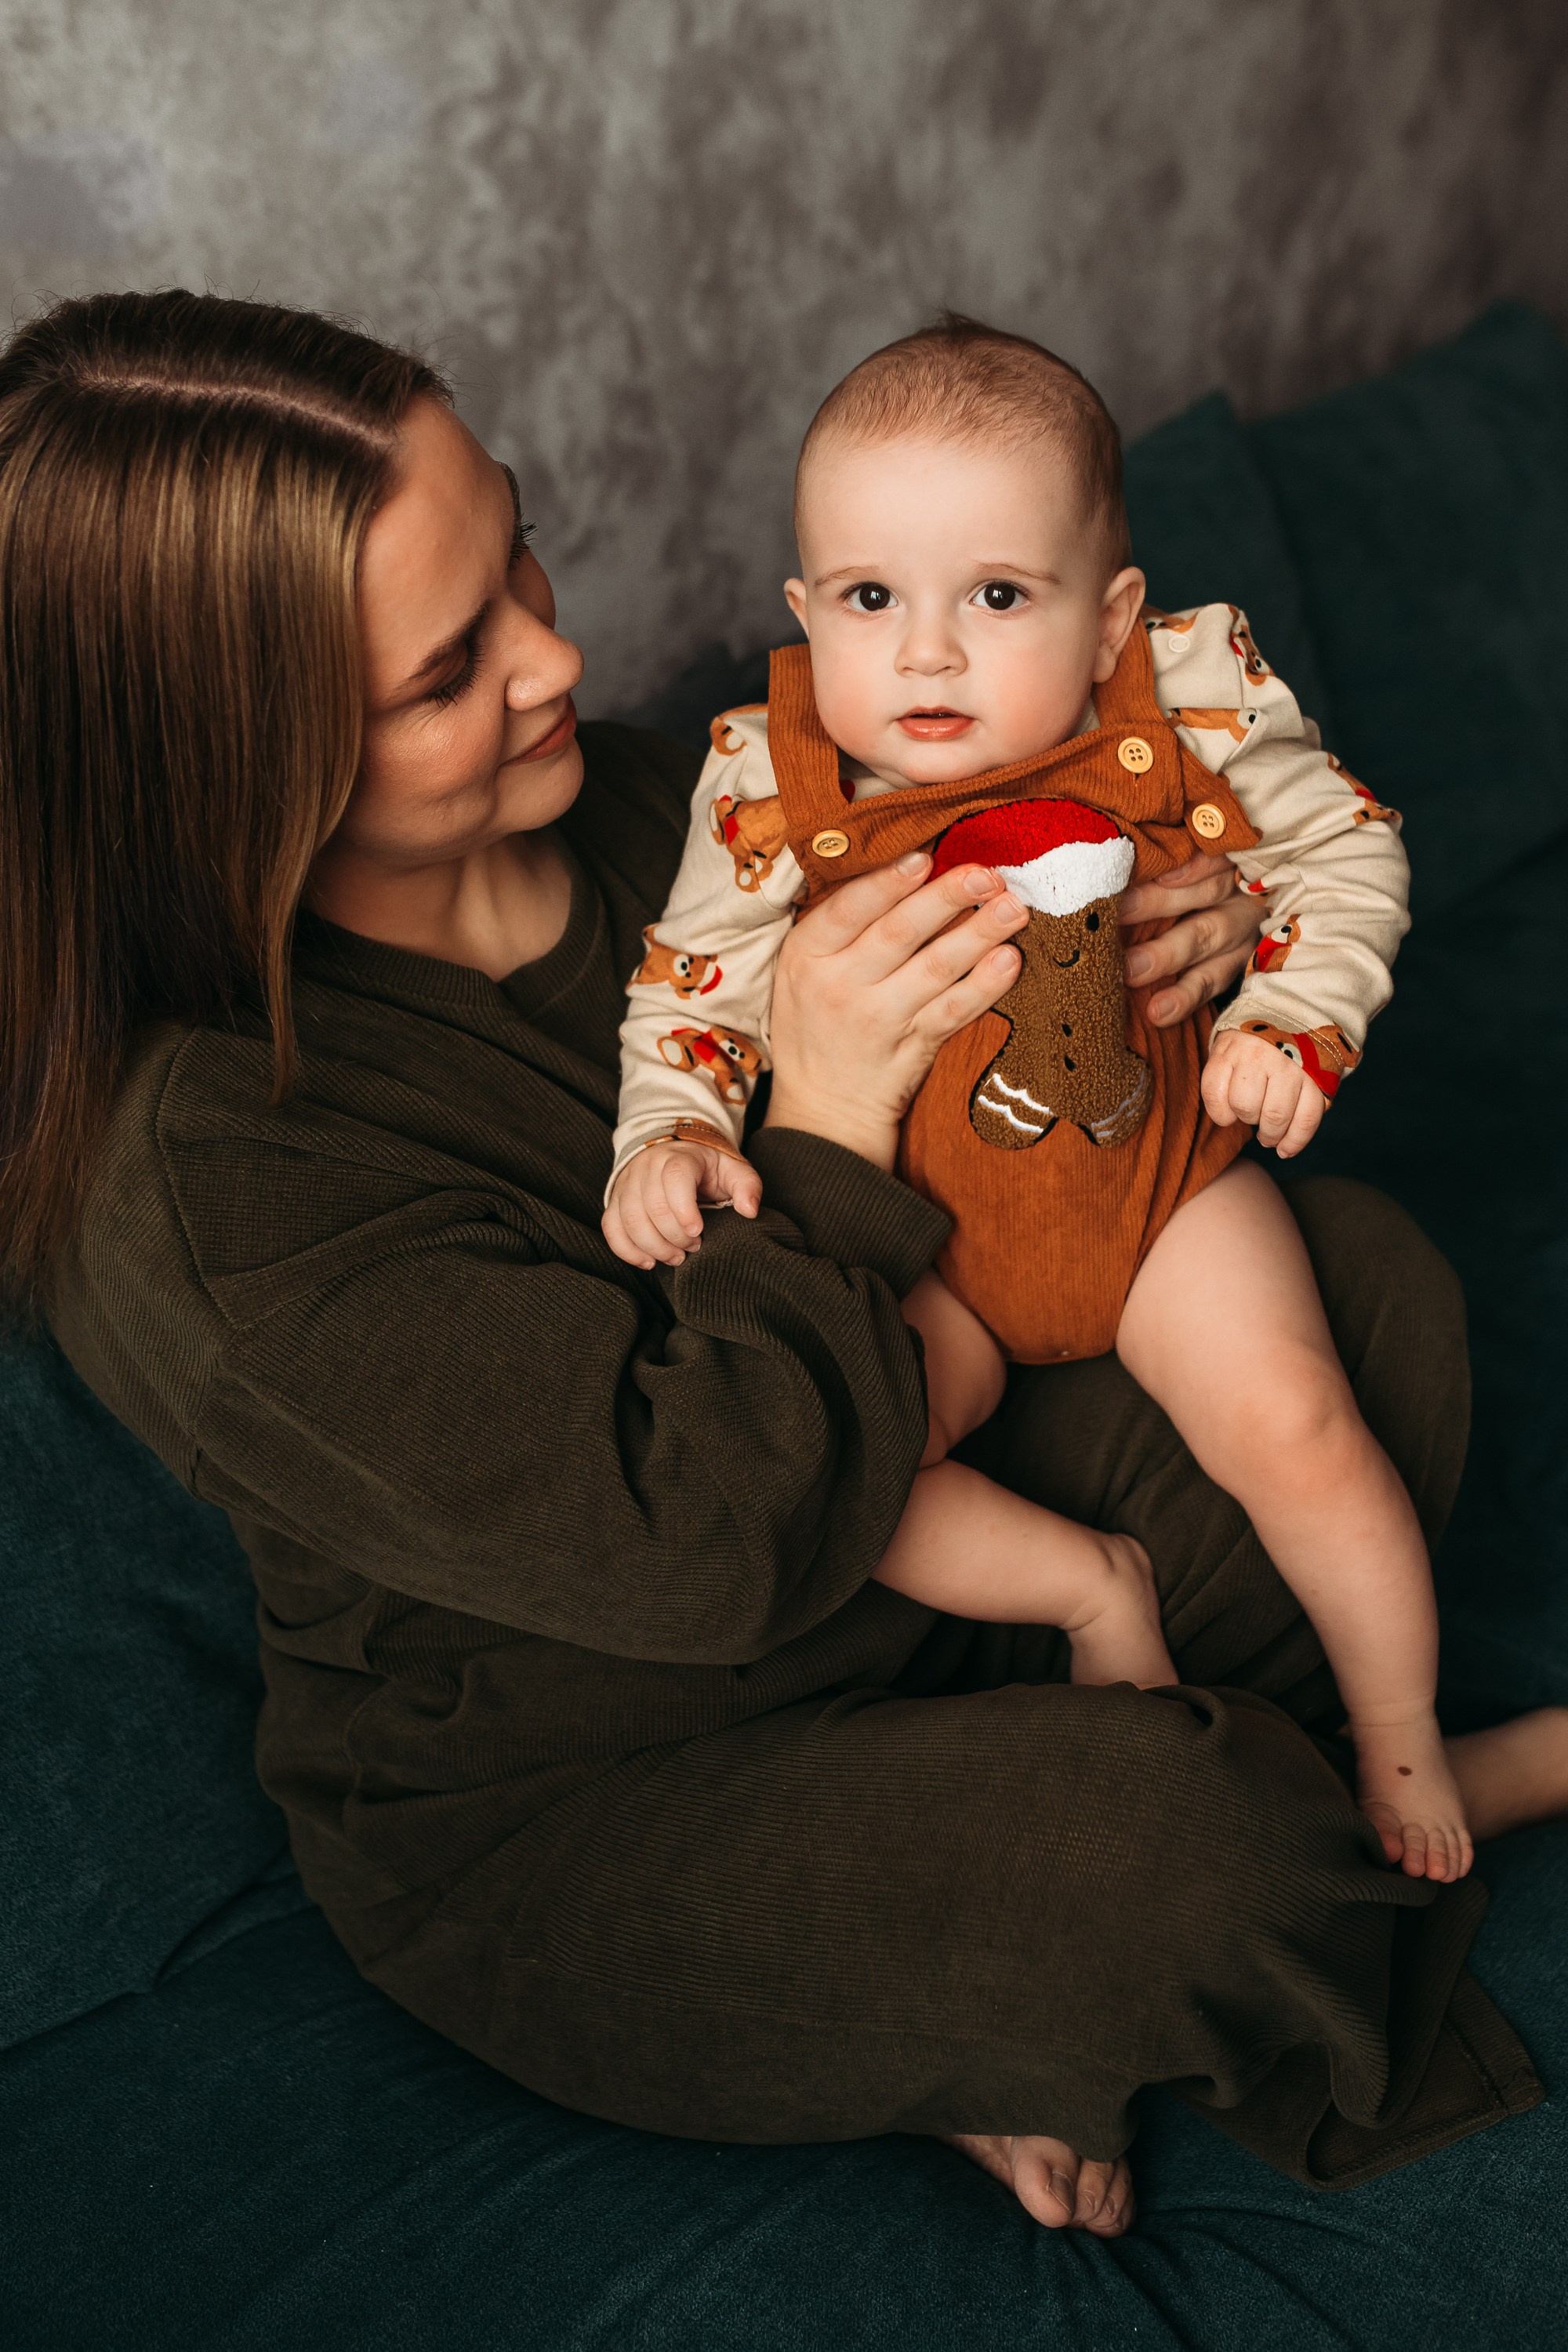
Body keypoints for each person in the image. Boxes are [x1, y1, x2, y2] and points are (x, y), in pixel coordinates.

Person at [5, 289, 1566, 2243]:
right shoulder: (206, 1177)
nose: (556, 655)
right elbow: (699, 1539)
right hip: (599, 1776)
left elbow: (1049, 1125)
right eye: (443, 670)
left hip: (905, 1534)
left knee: (1360, 1305)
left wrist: (1203, 929)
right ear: (224, 767)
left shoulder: (673, 804)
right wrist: (820, 1128)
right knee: (1174, 1855)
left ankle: (1016, 1928)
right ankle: (1045, 1938)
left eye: (518, 550)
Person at [604, 317, 1468, 1880]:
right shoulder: (762, 785)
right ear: (803, 610)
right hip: (938, 1253)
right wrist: (665, 1130)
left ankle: (1402, 1739)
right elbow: (694, 989)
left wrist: (1286, 1009)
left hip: (1158, 1198)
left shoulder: (1181, 696)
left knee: (1302, 1425)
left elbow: (1340, 855)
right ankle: (1091, 1590)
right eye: (871, 600)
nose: (926, 653)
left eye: (996, 595)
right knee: (845, 1472)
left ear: (1108, 612)